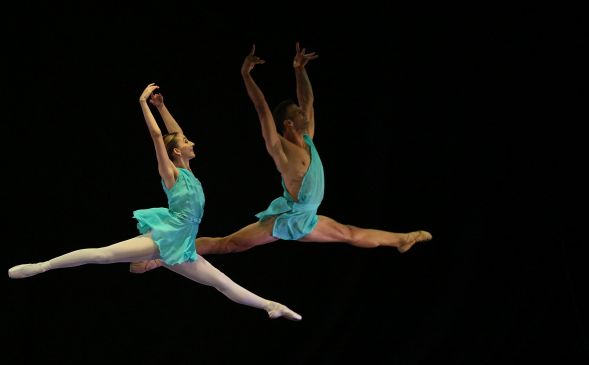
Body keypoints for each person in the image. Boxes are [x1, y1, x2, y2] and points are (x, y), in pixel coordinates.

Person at [7, 82, 302, 321]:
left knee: (221, 282)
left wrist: (162, 107)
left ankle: (269, 305)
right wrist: (143, 103)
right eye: (186, 143)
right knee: (104, 255)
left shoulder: (188, 171)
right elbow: (159, 136)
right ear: (176, 153)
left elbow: (174, 134)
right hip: (166, 235)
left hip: (183, 244)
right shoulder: (171, 172)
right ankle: (41, 266)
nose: (192, 143)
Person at [130, 43, 432, 274]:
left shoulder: (307, 138)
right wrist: (247, 76)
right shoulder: (281, 149)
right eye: (298, 115)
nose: (305, 114)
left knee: (350, 234)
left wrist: (299, 69)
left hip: (306, 218)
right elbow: (263, 111)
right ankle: (156, 257)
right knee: (229, 244)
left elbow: (309, 100)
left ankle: (400, 239)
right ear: (288, 124)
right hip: (290, 219)